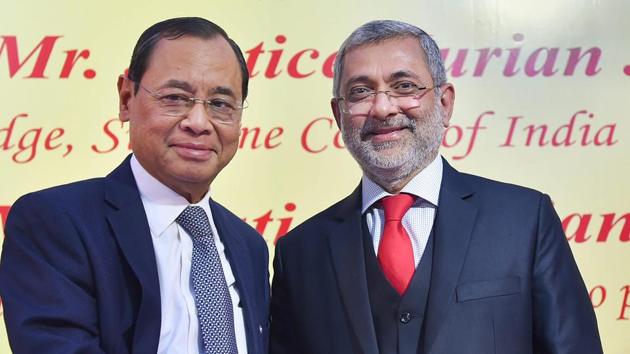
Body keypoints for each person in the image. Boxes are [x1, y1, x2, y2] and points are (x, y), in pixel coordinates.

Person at [269, 20, 602, 354]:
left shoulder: (525, 221)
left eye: (404, 86)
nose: (383, 108)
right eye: (360, 92)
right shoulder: (298, 254)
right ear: (339, 114)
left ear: (445, 103)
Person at [0, 17, 269, 354]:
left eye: (220, 104)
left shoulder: (250, 247)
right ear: (127, 98)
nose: (198, 123)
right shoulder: (56, 222)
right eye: (175, 97)